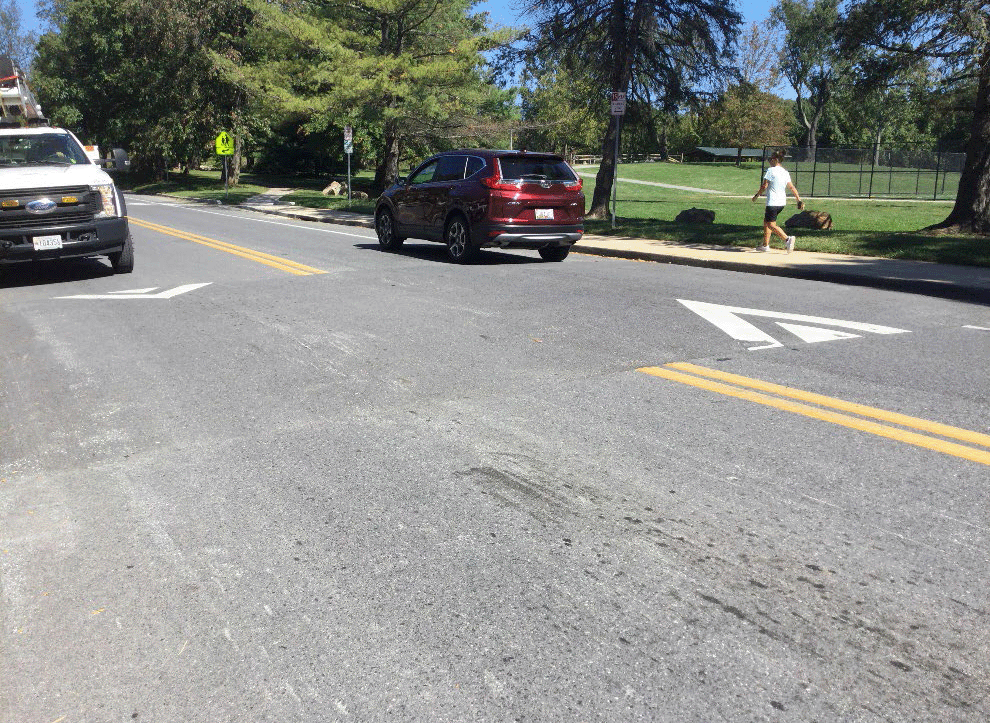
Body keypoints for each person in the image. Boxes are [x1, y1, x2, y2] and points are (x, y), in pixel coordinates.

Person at [752, 150, 802, 253]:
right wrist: (798, 200)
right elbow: (791, 187)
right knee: (767, 222)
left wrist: (757, 195)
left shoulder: (771, 170)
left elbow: (764, 186)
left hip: (773, 202)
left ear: (775, 160)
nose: (769, 161)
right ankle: (765, 245)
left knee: (771, 224)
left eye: (770, 159)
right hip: (781, 203)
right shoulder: (785, 172)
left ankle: (787, 239)